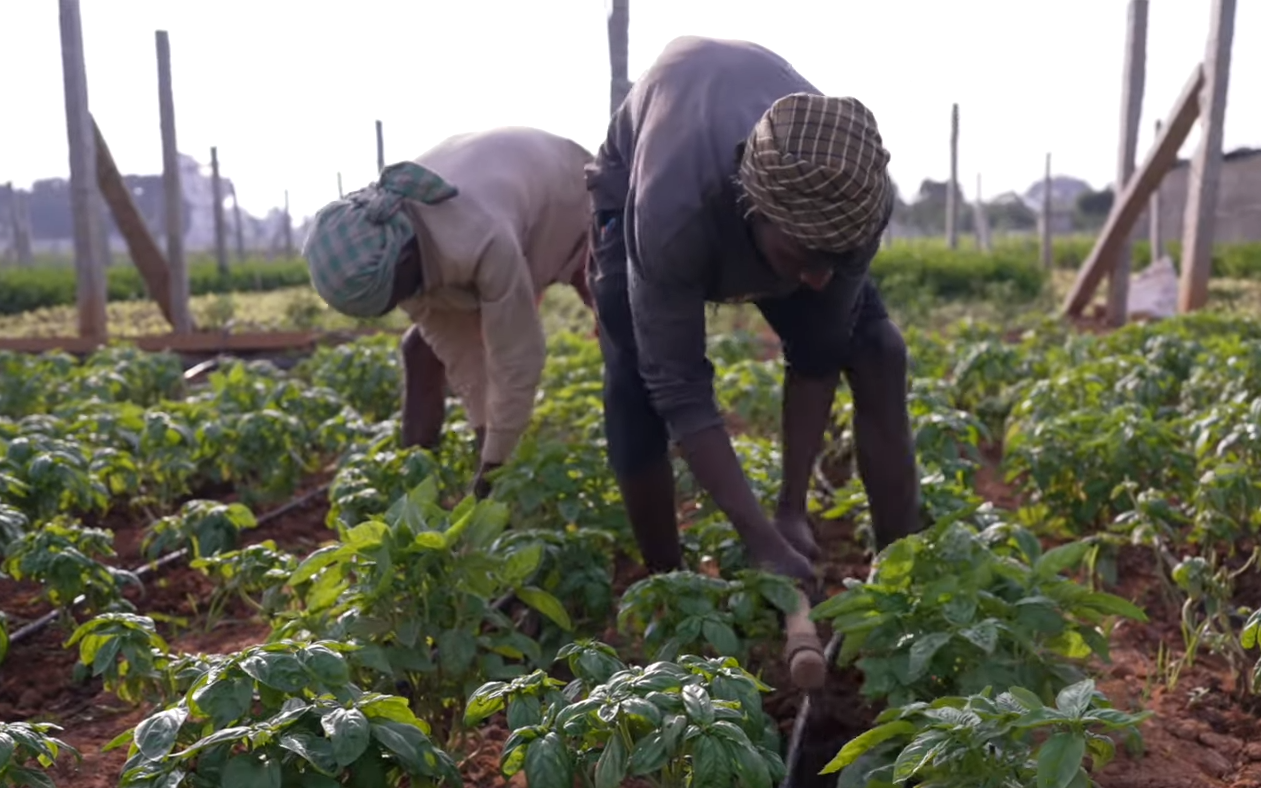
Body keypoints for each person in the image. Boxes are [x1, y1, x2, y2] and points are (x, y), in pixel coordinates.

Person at [585, 37, 922, 591]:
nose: (817, 280)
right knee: (634, 383)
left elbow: (817, 356)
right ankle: (671, 587)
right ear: (751, 209)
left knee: (879, 350)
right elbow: (680, 388)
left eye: (834, 261)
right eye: (802, 258)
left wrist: (792, 509)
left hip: (759, 180)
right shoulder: (673, 211)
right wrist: (761, 541)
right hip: (639, 176)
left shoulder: (858, 200)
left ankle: (903, 586)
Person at [304, 127, 593, 496]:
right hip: (508, 193)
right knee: (418, 350)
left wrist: (493, 468)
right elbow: (462, 353)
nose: (405, 303)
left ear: (406, 258)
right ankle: (416, 482)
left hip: (570, 190)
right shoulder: (392, 241)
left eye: (399, 294)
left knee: (619, 323)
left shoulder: (481, 235)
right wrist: (485, 433)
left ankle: (664, 440)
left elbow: (517, 359)